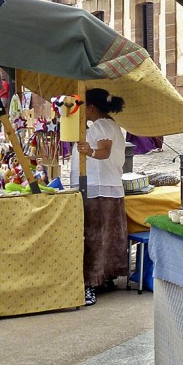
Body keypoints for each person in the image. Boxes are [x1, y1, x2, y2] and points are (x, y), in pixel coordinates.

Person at [71, 87, 129, 306]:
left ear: (92, 107)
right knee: (105, 235)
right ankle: (104, 276)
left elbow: (104, 151)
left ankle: (91, 282)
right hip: (105, 187)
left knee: (94, 236)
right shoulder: (108, 124)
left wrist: (90, 152)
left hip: (98, 189)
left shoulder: (101, 125)